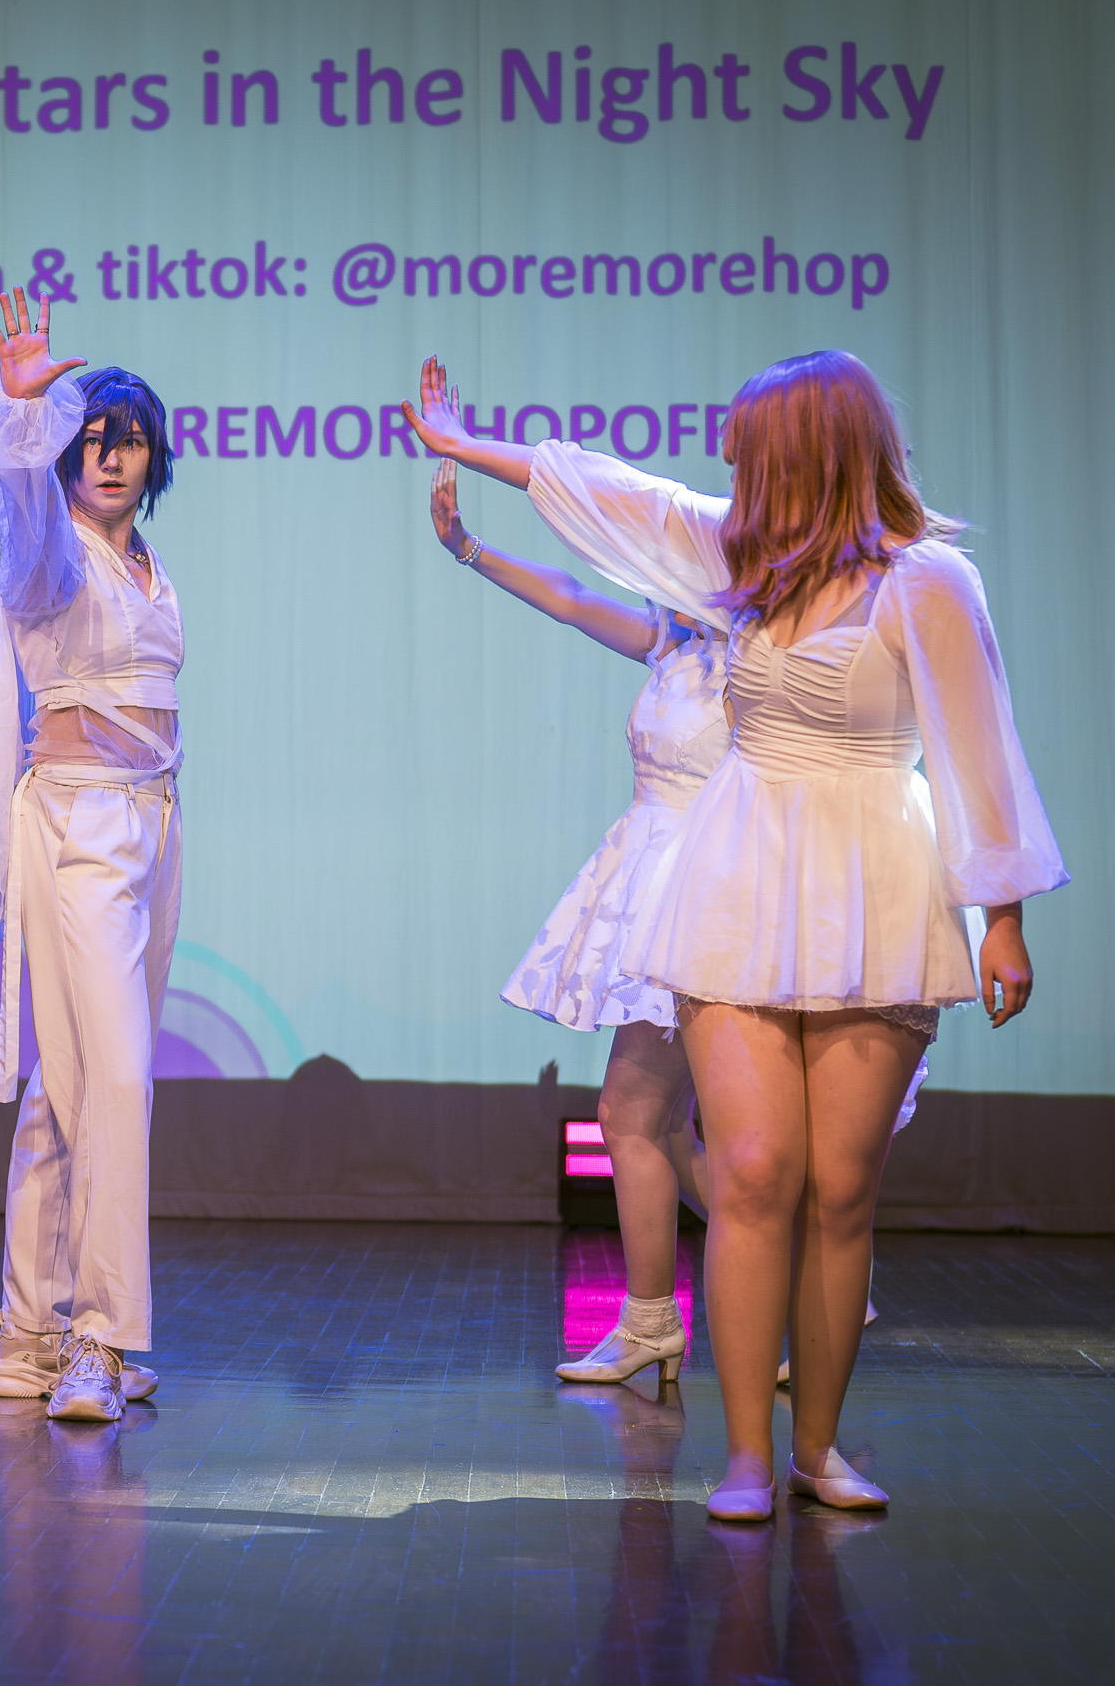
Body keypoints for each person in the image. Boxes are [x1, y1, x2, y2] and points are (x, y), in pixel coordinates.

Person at [408, 351, 1066, 1518]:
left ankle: (818, 1450)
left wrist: (1002, 917)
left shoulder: (925, 580)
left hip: (872, 885)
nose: (725, 457)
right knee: (754, 1172)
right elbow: (620, 496)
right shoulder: (741, 560)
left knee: (839, 1191)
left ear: (811, 447)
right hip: (736, 881)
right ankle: (747, 1457)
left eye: (747, 441)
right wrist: (465, 448)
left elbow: (980, 749)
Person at [421, 454, 722, 1385]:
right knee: (646, 1118)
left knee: (650, 1117)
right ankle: (671, 1316)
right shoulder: (672, 643)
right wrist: (468, 548)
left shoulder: (758, 660)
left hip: (716, 899)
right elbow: (567, 597)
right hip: (656, 892)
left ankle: (804, 1277)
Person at [0, 289, 175, 1423]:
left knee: (69, 1084)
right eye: (90, 441)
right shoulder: (55, 554)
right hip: (78, 826)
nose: (109, 458)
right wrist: (24, 422)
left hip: (153, 826)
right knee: (118, 1081)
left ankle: (23, 1335)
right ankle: (99, 1337)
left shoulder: (149, 566)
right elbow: (23, 520)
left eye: (127, 440)